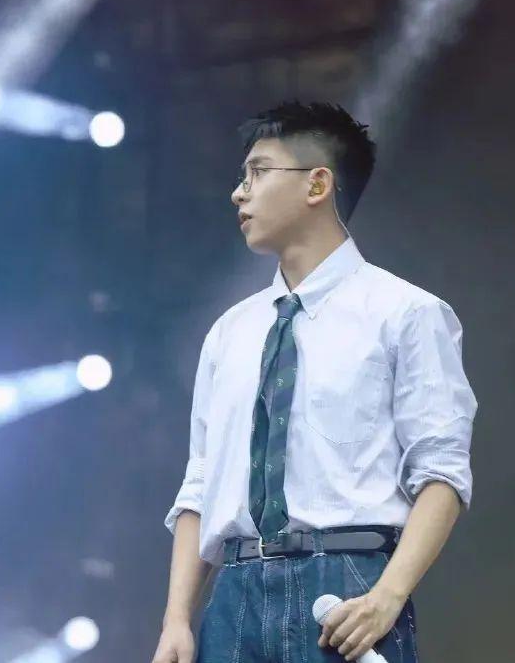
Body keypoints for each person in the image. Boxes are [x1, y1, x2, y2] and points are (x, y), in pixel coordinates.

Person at [151, 101, 478, 663]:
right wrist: (178, 619)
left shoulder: (406, 313)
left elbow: (442, 473)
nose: (238, 193)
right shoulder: (229, 332)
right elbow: (200, 483)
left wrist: (386, 597)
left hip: (347, 585)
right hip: (233, 596)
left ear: (317, 184)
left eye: (258, 172)